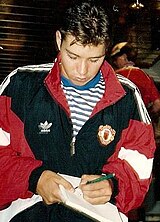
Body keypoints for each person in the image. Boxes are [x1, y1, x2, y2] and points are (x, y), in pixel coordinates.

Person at [0, 1, 156, 221]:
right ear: (58, 40)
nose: (82, 71)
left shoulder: (127, 97)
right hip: (25, 214)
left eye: (94, 59)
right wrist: (33, 178)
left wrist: (113, 185)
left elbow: (139, 168)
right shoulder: (20, 85)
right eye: (73, 56)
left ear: (107, 50)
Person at [110, 42, 160, 121]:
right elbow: (157, 104)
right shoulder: (144, 76)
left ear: (124, 57)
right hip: (138, 124)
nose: (114, 62)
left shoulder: (111, 77)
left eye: (115, 59)